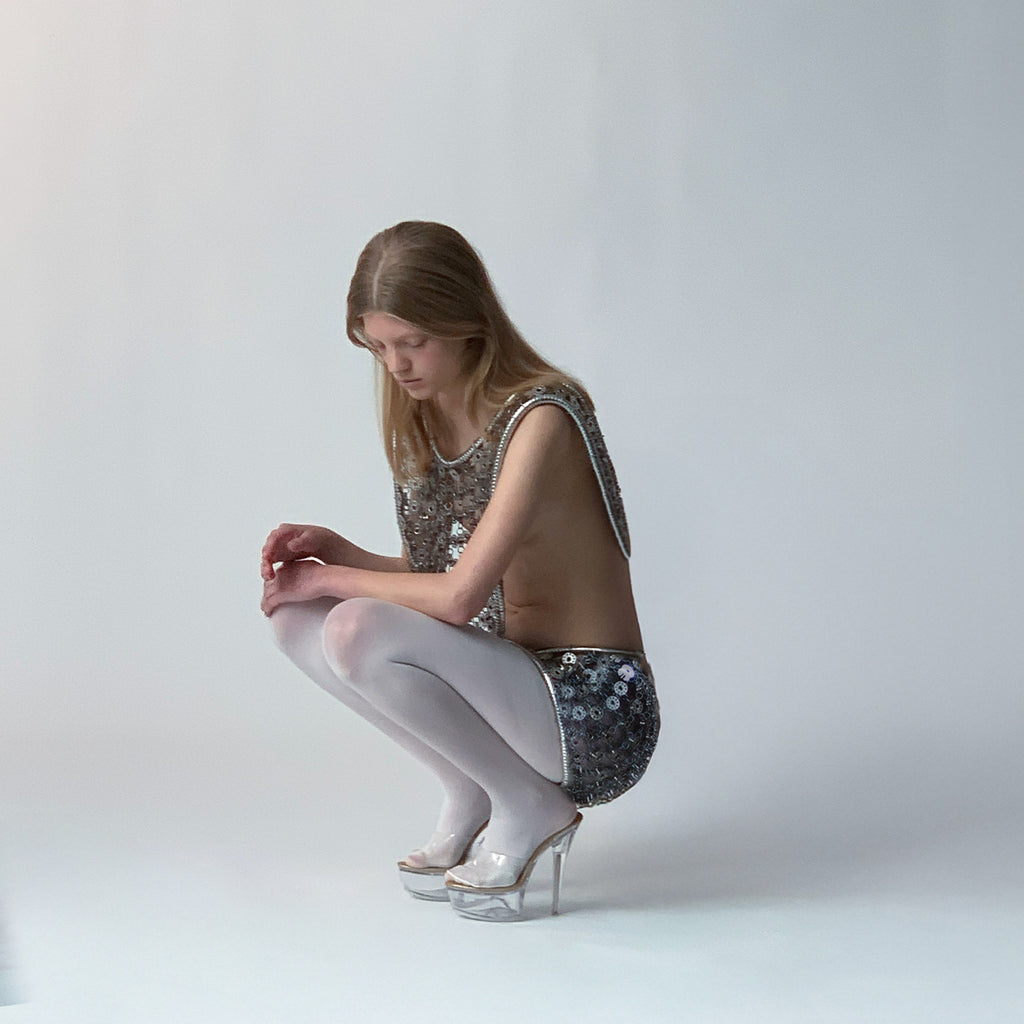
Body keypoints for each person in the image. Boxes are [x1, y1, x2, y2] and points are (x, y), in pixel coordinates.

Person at [261, 221, 659, 921]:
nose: (398, 365)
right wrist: (339, 554)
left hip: (592, 708)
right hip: (513, 685)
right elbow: (433, 577)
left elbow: (456, 597)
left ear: (468, 322)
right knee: (298, 623)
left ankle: (531, 804)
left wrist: (335, 581)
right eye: (379, 347)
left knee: (352, 623)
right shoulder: (426, 416)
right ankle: (475, 785)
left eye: (414, 342)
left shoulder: (543, 416)